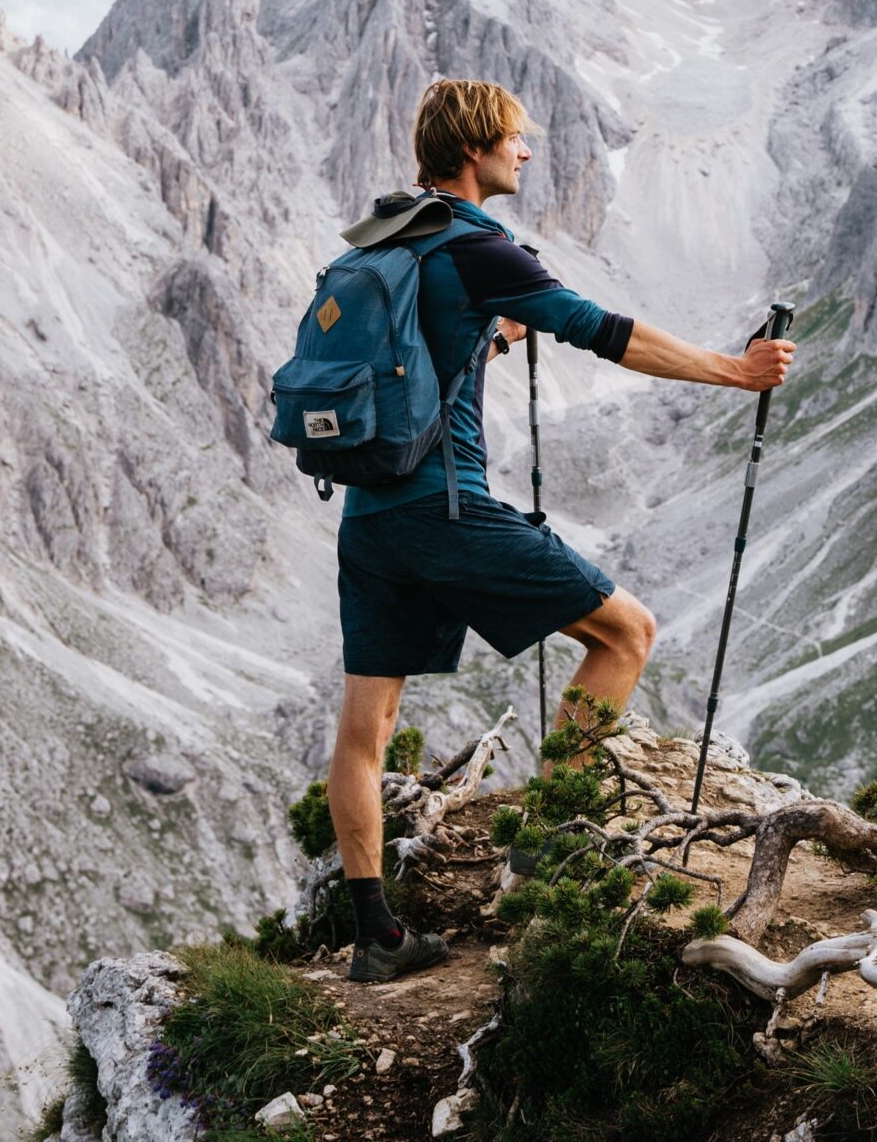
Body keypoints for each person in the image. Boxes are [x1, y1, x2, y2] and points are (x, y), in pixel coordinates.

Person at [332, 78, 797, 981]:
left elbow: (424, 357)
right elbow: (602, 330)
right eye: (514, 138)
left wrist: (495, 340)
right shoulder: (479, 244)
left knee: (367, 728)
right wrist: (738, 373)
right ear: (475, 147)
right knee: (627, 632)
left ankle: (375, 939)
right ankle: (544, 857)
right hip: (448, 509)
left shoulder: (391, 239)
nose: (528, 151)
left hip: (370, 516)